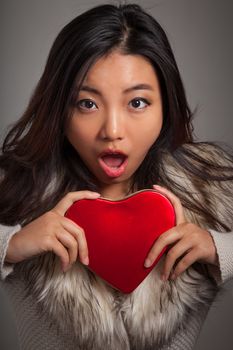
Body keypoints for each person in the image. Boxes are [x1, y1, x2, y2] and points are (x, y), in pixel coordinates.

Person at [0, 3, 232, 350]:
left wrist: (219, 248)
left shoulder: (208, 189)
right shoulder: (17, 188)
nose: (112, 130)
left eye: (137, 103)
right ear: (59, 108)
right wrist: (11, 245)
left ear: (165, 105)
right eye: (87, 104)